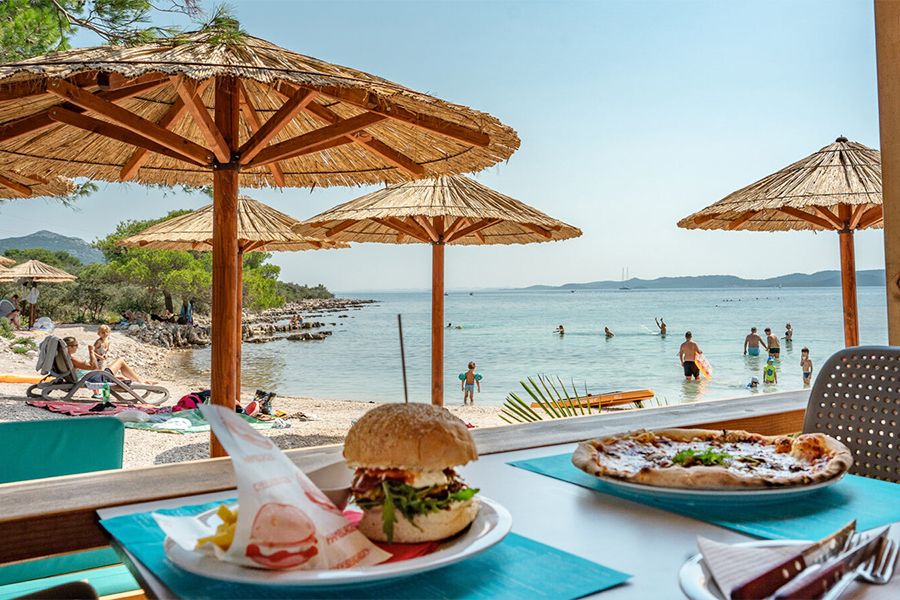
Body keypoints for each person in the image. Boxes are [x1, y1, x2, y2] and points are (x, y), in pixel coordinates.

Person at [63, 336, 155, 385]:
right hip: (95, 378)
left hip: (93, 377)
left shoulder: (62, 360)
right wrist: (91, 351)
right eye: (76, 345)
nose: (77, 347)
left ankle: (138, 382)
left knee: (121, 379)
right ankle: (140, 382)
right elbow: (93, 367)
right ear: (70, 348)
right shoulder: (73, 360)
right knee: (120, 361)